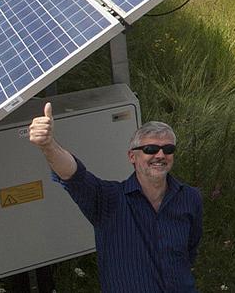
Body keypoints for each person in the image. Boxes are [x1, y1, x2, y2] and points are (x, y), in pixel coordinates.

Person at [27, 106, 202, 292]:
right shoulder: (108, 199)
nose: (160, 155)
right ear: (132, 156)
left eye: (168, 149)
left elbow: (189, 252)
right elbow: (74, 175)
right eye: (150, 149)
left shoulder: (190, 197)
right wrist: (48, 145)